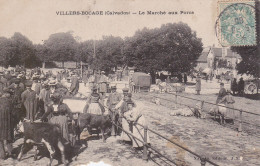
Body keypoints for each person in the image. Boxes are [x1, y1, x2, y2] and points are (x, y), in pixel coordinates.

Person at [0, 92, 14, 159]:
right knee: (9, 138)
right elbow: (13, 113)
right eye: (9, 94)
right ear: (5, 94)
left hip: (0, 124)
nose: (10, 95)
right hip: (8, 123)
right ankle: (10, 152)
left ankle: (2, 154)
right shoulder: (10, 102)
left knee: (0, 139)